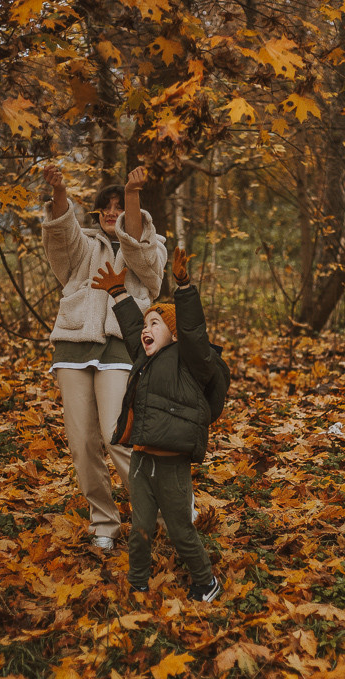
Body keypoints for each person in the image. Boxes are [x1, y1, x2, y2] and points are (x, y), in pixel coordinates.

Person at [40, 164, 167, 550]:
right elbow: (61, 237)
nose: (111, 213)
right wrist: (60, 192)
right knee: (81, 444)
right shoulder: (84, 245)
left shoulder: (149, 246)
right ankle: (104, 524)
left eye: (118, 207)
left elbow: (151, 274)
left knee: (118, 439)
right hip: (73, 347)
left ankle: (165, 510)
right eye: (105, 207)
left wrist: (131, 195)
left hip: (120, 349)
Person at [91, 247, 223, 602]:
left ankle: (205, 581)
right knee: (140, 530)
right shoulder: (145, 357)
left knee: (180, 530)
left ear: (175, 335)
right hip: (142, 461)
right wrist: (119, 293)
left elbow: (194, 330)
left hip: (171, 464)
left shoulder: (188, 361)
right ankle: (137, 584)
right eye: (147, 324)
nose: (146, 330)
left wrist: (184, 289)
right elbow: (134, 327)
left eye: (157, 323)